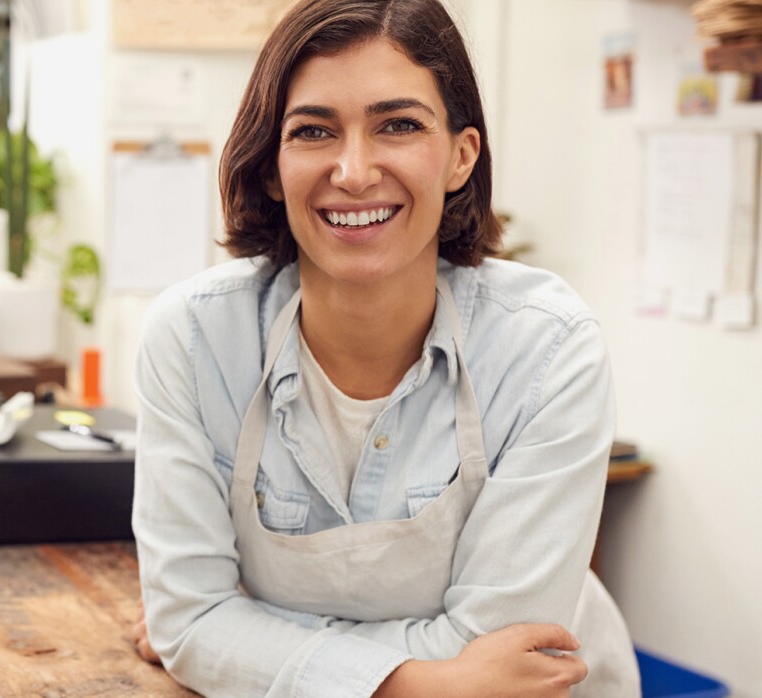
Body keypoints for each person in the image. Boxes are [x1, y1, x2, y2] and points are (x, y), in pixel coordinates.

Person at [129, 0, 642, 696]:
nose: (354, 171)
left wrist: (243, 637)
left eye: (398, 125)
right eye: (313, 131)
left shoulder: (547, 350)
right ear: (273, 167)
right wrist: (423, 684)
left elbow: (501, 652)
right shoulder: (195, 340)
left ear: (461, 156)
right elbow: (190, 623)